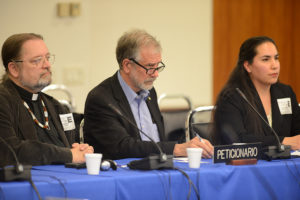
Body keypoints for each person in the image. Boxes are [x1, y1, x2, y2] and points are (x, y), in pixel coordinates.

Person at [84, 29, 213, 160]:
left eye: (158, 66)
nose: (156, 74)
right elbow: (122, 147)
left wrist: (194, 146)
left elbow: (158, 140)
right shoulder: (101, 99)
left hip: (159, 169)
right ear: (127, 65)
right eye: (150, 67)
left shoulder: (149, 91)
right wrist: (177, 148)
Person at [0, 33, 93, 167]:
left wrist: (82, 149)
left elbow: (73, 143)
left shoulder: (55, 106)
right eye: (37, 60)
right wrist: (69, 154)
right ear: (14, 69)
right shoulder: (4, 101)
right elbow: (10, 150)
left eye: (47, 58)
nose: (47, 65)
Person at [212, 36, 300, 150]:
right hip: (245, 166)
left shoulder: (285, 92)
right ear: (248, 66)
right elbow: (237, 140)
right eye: (266, 59)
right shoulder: (232, 97)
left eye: (276, 58)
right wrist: (282, 141)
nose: (275, 65)